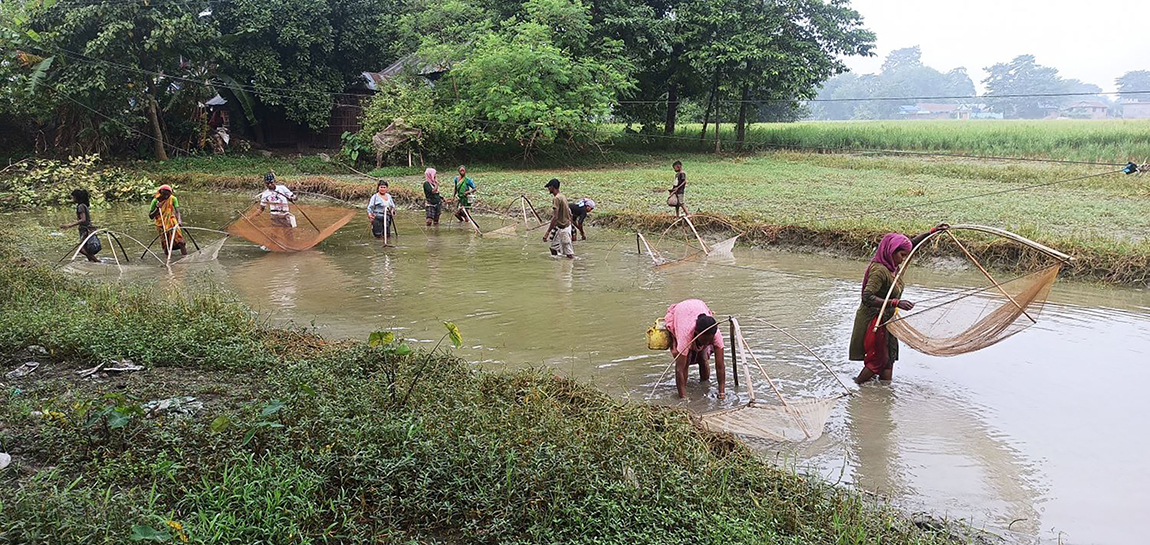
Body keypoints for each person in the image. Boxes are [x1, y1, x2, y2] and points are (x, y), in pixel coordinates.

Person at [850, 223, 950, 384]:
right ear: (891, 252)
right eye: (902, 255)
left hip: (887, 319)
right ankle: (854, 388)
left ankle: (883, 395)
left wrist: (932, 232)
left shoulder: (893, 265)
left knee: (889, 359)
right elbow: (867, 297)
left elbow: (910, 244)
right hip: (874, 320)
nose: (904, 259)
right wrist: (896, 302)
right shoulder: (880, 270)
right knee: (877, 361)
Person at [665, 299, 726, 399]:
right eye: (704, 340)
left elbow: (720, 366)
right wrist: (683, 399)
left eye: (709, 341)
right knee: (686, 360)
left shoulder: (716, 335)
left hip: (699, 306)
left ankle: (705, 383)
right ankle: (683, 390)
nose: (706, 343)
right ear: (696, 333)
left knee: (703, 357)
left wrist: (722, 393)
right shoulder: (686, 334)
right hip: (682, 312)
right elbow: (679, 369)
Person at [60, 188, 101, 262]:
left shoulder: (80, 206)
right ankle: (92, 262)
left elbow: (83, 219)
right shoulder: (83, 205)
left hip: (85, 229)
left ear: (77, 197)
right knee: (85, 249)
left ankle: (97, 261)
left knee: (81, 249)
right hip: (86, 228)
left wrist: (69, 225)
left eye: (73, 197)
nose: (72, 198)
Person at [148, 184, 186, 257]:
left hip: (172, 222)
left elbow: (177, 211)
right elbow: (151, 216)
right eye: (164, 194)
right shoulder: (155, 201)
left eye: (167, 195)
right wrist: (157, 208)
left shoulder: (173, 199)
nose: (166, 197)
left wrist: (179, 220)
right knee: (166, 245)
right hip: (161, 224)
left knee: (181, 242)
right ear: (160, 193)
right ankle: (168, 259)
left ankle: (185, 257)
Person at [543, 178, 574, 259]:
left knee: (569, 254)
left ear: (553, 187)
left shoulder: (556, 198)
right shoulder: (562, 196)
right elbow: (570, 213)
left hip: (564, 229)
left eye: (549, 187)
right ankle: (558, 265)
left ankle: (570, 267)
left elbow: (555, 217)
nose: (548, 189)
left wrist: (547, 232)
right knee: (553, 248)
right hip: (562, 227)